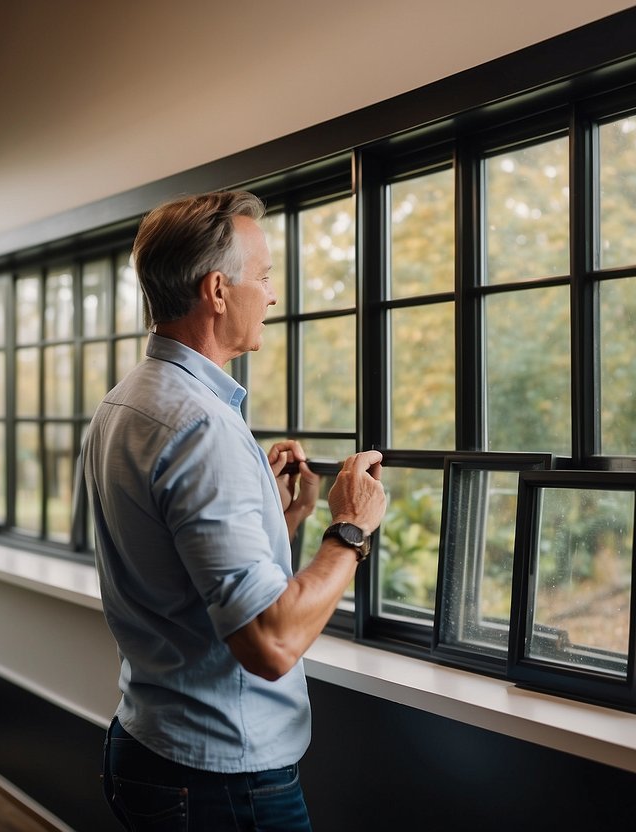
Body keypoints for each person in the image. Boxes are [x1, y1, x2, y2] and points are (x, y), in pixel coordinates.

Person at [84, 190, 387, 831]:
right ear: (218, 291)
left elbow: (178, 574)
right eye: (266, 277)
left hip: (147, 746)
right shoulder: (201, 427)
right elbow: (270, 644)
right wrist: (349, 529)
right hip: (218, 782)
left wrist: (287, 520)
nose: (273, 294)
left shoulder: (123, 405)